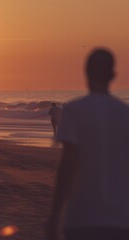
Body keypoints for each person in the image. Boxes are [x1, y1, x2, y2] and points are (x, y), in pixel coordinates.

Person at [46, 48, 129, 240]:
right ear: (113, 75)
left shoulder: (74, 110)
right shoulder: (125, 113)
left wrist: (55, 214)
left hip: (82, 217)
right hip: (121, 219)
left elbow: (67, 165)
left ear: (85, 72)